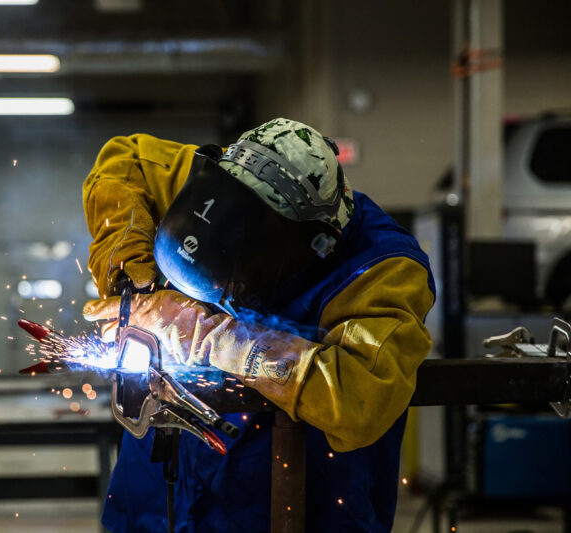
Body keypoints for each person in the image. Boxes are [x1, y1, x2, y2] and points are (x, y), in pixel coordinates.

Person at [82, 118, 435, 532]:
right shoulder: (210, 180)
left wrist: (211, 337)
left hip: (286, 509)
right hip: (156, 500)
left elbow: (362, 398)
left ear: (313, 243)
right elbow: (124, 160)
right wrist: (137, 283)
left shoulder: (382, 269)